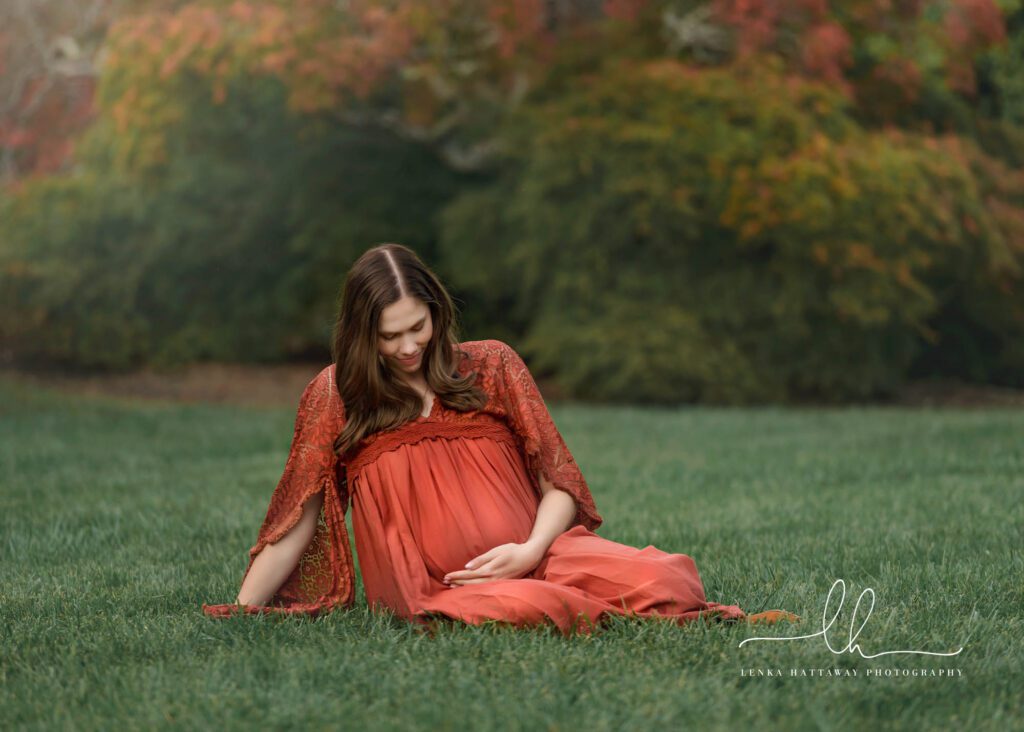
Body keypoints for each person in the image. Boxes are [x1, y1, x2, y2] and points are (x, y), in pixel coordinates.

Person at [202, 243, 797, 635]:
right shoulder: (337, 394)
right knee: (539, 609)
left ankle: (560, 583)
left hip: (536, 553)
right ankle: (536, 598)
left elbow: (557, 484)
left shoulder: (489, 366)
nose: (408, 347)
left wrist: (533, 549)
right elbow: (297, 519)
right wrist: (243, 609)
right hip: (435, 585)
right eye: (389, 337)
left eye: (418, 327)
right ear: (362, 335)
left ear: (436, 313)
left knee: (669, 580)